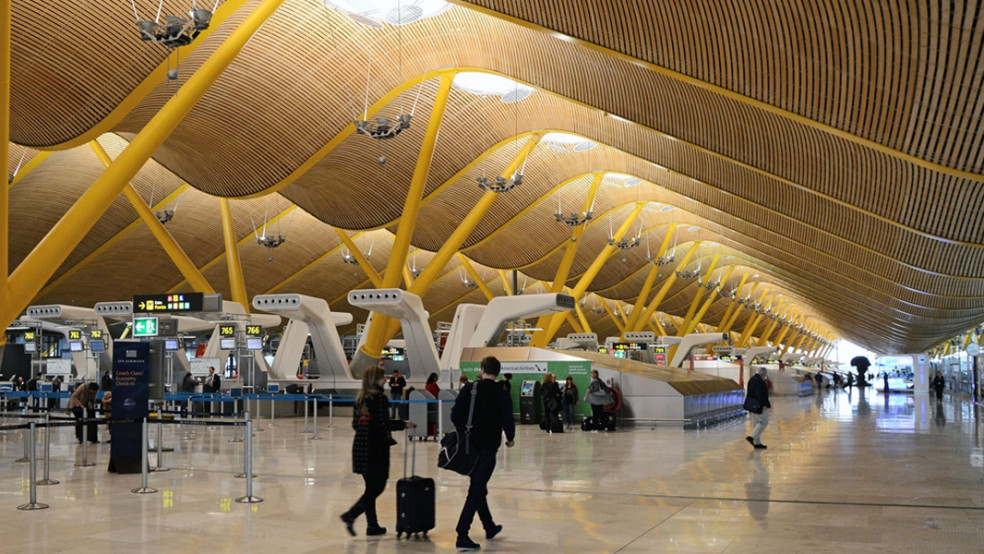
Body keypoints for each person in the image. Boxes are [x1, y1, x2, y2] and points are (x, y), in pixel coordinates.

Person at [452, 356, 515, 551]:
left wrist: (465, 430)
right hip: (488, 448)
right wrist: (510, 437)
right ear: (497, 372)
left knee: (478, 486)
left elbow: (455, 414)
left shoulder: (470, 389)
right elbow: (507, 416)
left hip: (470, 447)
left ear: (482, 369)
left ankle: (489, 526)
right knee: (477, 489)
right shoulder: (500, 391)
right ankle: (462, 534)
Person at [340, 366, 410, 537]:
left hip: (361, 447)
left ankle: (372, 525)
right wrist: (404, 424)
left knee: (370, 487)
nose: (385, 380)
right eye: (382, 378)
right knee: (377, 486)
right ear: (376, 380)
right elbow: (384, 425)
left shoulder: (360, 399)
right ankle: (351, 515)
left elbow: (355, 425)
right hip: (376, 448)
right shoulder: (379, 399)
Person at [744, 367, 771, 449]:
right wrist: (764, 405)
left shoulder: (751, 379)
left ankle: (757, 443)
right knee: (764, 421)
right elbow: (760, 394)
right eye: (765, 374)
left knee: (756, 423)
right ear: (762, 373)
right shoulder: (759, 381)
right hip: (758, 405)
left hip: (752, 405)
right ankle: (752, 437)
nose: (765, 376)